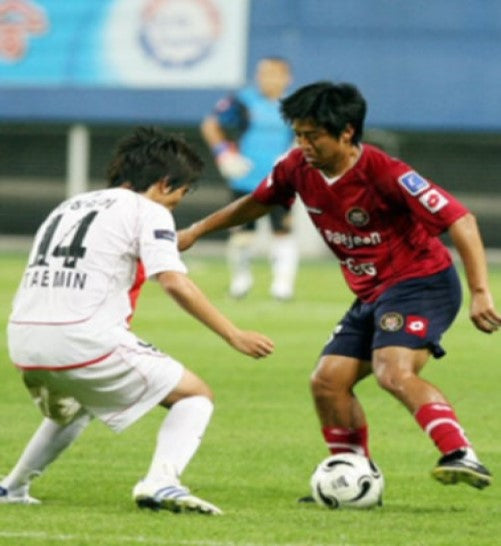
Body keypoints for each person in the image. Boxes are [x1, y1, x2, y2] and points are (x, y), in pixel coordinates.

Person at [179, 82, 501, 493]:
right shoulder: (296, 167)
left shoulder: (387, 172)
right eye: (298, 134)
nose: (303, 144)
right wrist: (196, 231)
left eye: (312, 136)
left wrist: (479, 292)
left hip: (422, 282)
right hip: (371, 292)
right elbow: (257, 201)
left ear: (347, 132)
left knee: (392, 370)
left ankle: (460, 453)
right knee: (327, 381)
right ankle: (351, 476)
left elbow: (461, 220)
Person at [0, 127, 274, 514]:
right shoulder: (150, 211)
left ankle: (11, 487)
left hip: (23, 340)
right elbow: (174, 283)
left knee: (80, 404)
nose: (177, 203)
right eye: (181, 194)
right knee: (194, 396)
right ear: (164, 183)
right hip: (82, 338)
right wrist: (234, 334)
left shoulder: (69, 206)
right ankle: (162, 481)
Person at [201, 56, 298, 300]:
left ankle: (282, 287)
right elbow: (211, 124)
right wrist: (223, 154)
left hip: (280, 181)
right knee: (242, 234)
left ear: (287, 78)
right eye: (263, 73)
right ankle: (240, 283)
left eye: (274, 74)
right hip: (245, 180)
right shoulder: (242, 101)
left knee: (283, 231)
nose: (267, 79)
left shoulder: (296, 105)